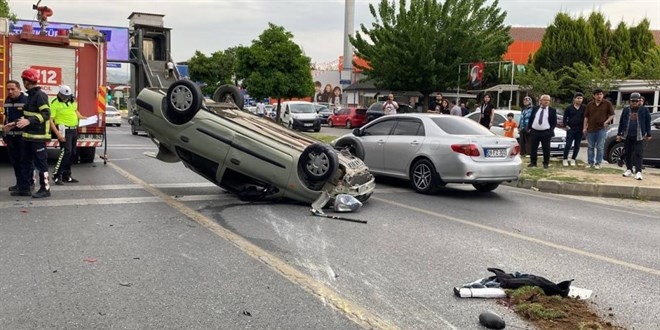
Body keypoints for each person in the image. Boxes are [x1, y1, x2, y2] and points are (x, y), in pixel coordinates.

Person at [15, 68, 51, 198]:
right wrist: (14, 124)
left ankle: (45, 189)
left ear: (26, 81)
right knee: (25, 162)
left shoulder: (40, 95)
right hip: (28, 136)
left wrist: (29, 121)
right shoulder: (30, 95)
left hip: (38, 137)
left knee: (41, 164)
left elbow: (46, 114)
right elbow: (27, 116)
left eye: (23, 80)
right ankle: (25, 188)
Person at [49, 85, 86, 185]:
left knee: (73, 153)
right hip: (63, 129)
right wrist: (57, 134)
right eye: (64, 96)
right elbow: (50, 120)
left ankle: (66, 175)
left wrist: (82, 117)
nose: (66, 98)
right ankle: (56, 175)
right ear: (59, 94)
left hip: (73, 129)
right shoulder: (54, 103)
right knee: (66, 152)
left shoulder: (71, 100)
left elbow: (75, 111)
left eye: (67, 96)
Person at [3, 80, 33, 193]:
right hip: (11, 137)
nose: (10, 91)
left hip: (23, 137)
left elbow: (28, 118)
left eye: (13, 89)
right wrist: (4, 133)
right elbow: (6, 117)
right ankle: (20, 184)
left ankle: (26, 185)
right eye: (8, 89)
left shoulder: (26, 101)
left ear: (19, 89)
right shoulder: (7, 100)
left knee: (25, 162)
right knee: (15, 162)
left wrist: (13, 124)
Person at [617, 92, 652, 180]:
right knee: (627, 152)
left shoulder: (644, 110)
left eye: (636, 101)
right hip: (627, 134)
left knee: (638, 153)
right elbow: (621, 122)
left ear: (640, 101)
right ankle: (629, 169)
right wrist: (619, 134)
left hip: (639, 135)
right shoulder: (626, 110)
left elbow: (648, 123)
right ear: (630, 101)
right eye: (632, 101)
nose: (634, 103)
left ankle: (638, 171)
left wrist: (648, 134)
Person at [583, 88, 615, 169]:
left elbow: (612, 115)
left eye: (601, 94)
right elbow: (586, 117)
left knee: (600, 146)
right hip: (591, 128)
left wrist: (607, 121)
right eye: (597, 94)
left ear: (603, 95)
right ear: (594, 96)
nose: (599, 96)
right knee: (590, 146)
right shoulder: (590, 104)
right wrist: (584, 127)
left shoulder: (607, 103)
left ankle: (598, 163)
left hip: (601, 128)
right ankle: (590, 162)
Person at [528, 94, 557, 169]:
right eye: (545, 100)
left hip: (546, 132)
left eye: (548, 100)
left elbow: (554, 122)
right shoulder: (535, 108)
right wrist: (529, 128)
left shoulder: (552, 110)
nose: (546, 101)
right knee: (533, 148)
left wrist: (550, 131)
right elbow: (531, 118)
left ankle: (546, 163)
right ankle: (533, 162)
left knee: (546, 148)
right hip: (535, 131)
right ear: (541, 101)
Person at [562, 92, 586, 166]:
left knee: (577, 145)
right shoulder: (569, 107)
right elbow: (565, 117)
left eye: (581, 98)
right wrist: (566, 125)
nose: (579, 100)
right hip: (571, 129)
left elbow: (586, 117)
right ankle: (565, 159)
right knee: (568, 144)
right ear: (574, 99)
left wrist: (585, 127)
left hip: (580, 129)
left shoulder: (584, 107)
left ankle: (573, 159)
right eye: (578, 98)